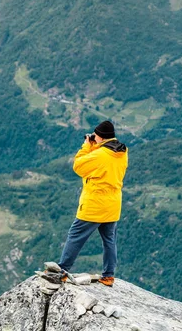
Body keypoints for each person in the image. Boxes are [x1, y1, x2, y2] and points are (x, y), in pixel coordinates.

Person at [58, 120, 128, 287]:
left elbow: (78, 166)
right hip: (113, 204)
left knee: (75, 236)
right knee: (109, 240)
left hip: (95, 204)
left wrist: (86, 146)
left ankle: (62, 271)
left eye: (95, 136)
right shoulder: (123, 152)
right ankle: (108, 276)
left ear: (100, 137)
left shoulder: (98, 155)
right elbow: (105, 158)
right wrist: (96, 144)